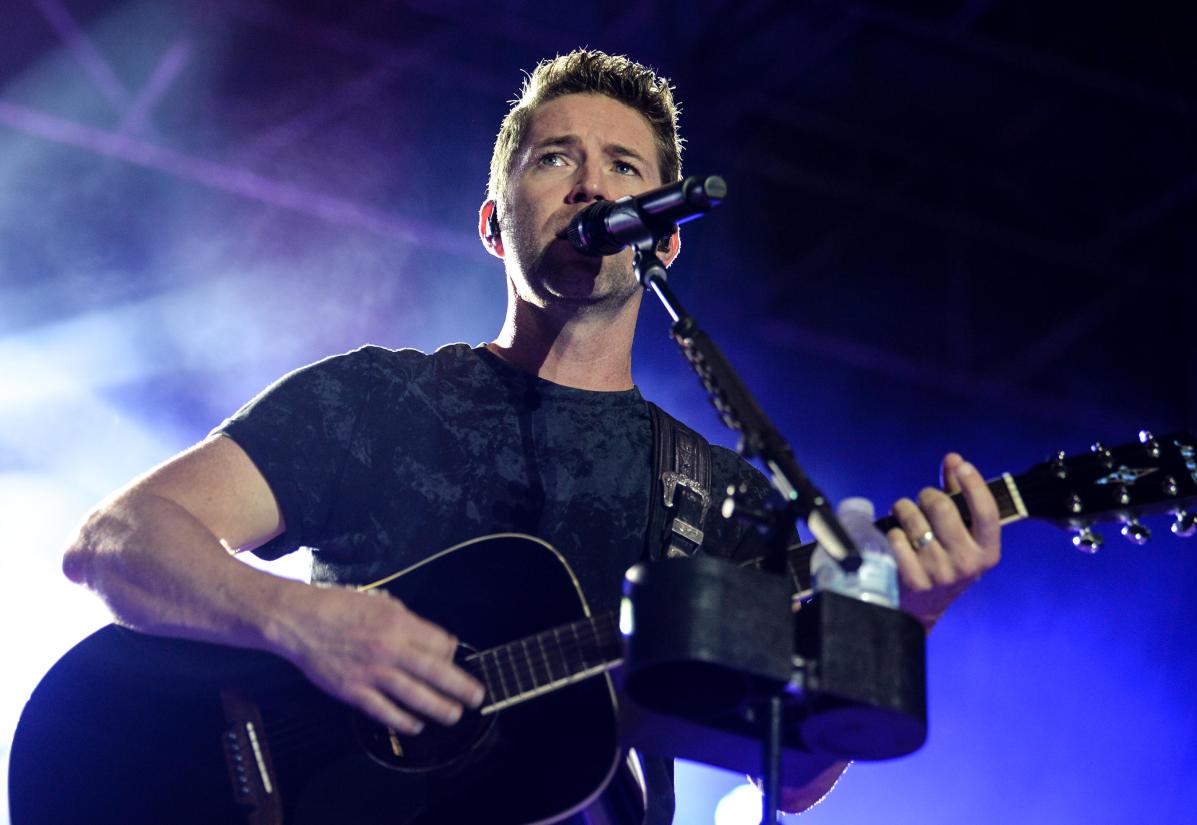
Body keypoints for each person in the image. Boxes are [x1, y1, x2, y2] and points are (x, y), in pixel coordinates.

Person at [61, 49, 1000, 823]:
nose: (591, 183)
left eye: (625, 169)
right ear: (492, 223)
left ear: (664, 239)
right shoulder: (376, 400)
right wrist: (305, 623)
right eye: (555, 158)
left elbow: (784, 781)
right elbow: (117, 542)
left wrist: (905, 619)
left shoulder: (715, 494)